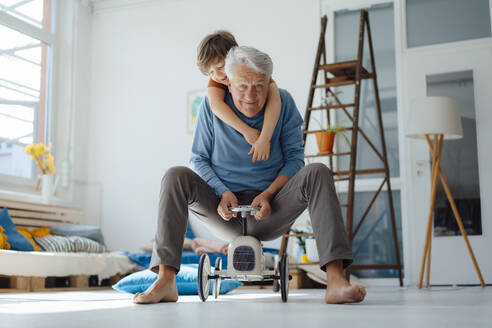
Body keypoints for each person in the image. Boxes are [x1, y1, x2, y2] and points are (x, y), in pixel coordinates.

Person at [133, 46, 366, 305]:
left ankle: (335, 280)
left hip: (271, 206)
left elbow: (295, 159)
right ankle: (165, 280)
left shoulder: (284, 102)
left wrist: (268, 194)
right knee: (175, 176)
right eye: (242, 86)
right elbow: (198, 158)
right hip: (224, 210)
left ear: (269, 84)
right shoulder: (212, 108)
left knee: (318, 172)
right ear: (228, 84)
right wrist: (222, 192)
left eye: (259, 86)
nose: (250, 95)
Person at [197, 31, 281, 163]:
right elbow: (215, 105)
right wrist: (246, 131)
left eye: (220, 67)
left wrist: (264, 138)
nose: (217, 75)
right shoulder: (217, 81)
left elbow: (275, 101)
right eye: (210, 72)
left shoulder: (253, 71)